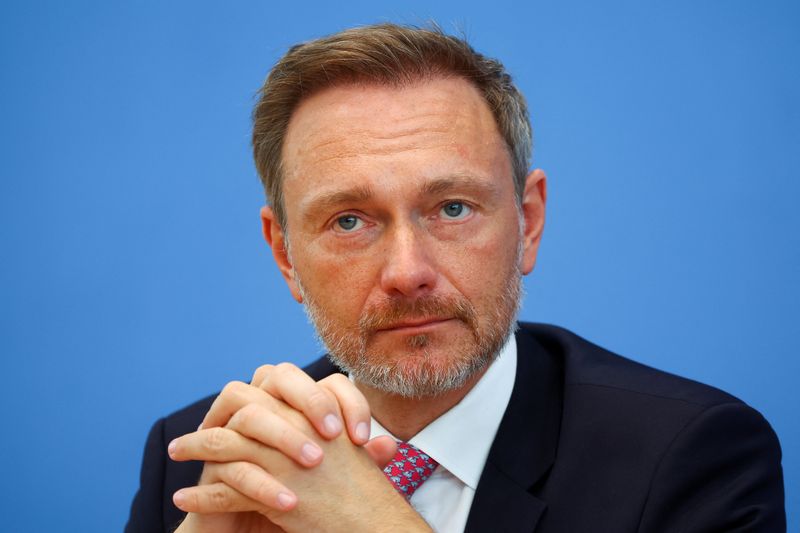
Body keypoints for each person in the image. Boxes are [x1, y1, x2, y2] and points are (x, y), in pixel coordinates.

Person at [125, 23, 785, 532]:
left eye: (453, 208)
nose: (408, 272)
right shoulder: (208, 456)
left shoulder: (692, 459)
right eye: (350, 220)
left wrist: (374, 520)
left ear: (527, 222)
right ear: (285, 254)